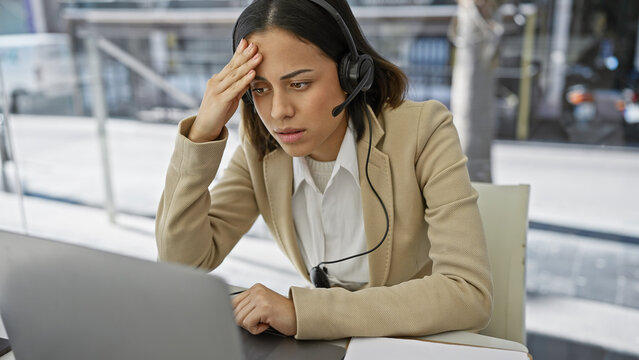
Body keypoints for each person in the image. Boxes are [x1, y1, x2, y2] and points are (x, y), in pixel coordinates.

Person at [156, 0, 492, 341]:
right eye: (259, 89)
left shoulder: (423, 131)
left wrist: (302, 312)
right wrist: (201, 135)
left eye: (299, 84)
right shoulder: (262, 151)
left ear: (351, 73)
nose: (278, 111)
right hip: (328, 345)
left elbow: (467, 292)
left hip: (419, 343)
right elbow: (183, 261)